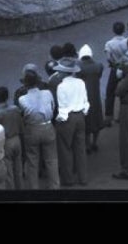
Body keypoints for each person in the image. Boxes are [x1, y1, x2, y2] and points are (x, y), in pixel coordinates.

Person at [17, 70, 59, 189]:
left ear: (25, 84)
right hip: (48, 126)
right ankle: (55, 187)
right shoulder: (48, 93)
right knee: (52, 160)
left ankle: (34, 189)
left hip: (32, 129)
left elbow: (23, 115)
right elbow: (53, 107)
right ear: (38, 82)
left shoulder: (22, 99)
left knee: (32, 162)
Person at [52, 56, 90, 187]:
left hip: (67, 118)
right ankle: (83, 177)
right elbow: (86, 101)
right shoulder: (81, 82)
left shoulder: (61, 86)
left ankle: (68, 179)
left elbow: (62, 107)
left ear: (63, 72)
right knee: (80, 148)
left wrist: (59, 120)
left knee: (65, 149)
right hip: (80, 116)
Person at [0, 86, 23, 190]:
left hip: (6, 142)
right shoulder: (15, 109)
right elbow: (21, 125)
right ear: (7, 97)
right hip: (17, 139)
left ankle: (12, 192)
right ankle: (21, 189)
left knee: (9, 171)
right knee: (18, 169)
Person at [78, 45, 105, 154]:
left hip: (84, 97)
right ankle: (95, 142)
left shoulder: (79, 68)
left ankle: (87, 144)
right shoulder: (98, 66)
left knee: (86, 121)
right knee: (97, 119)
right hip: (95, 96)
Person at [103, 21, 128, 123]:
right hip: (125, 68)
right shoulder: (127, 41)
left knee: (110, 92)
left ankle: (109, 116)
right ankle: (122, 115)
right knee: (124, 91)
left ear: (113, 30)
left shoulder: (109, 43)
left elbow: (108, 58)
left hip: (114, 68)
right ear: (123, 30)